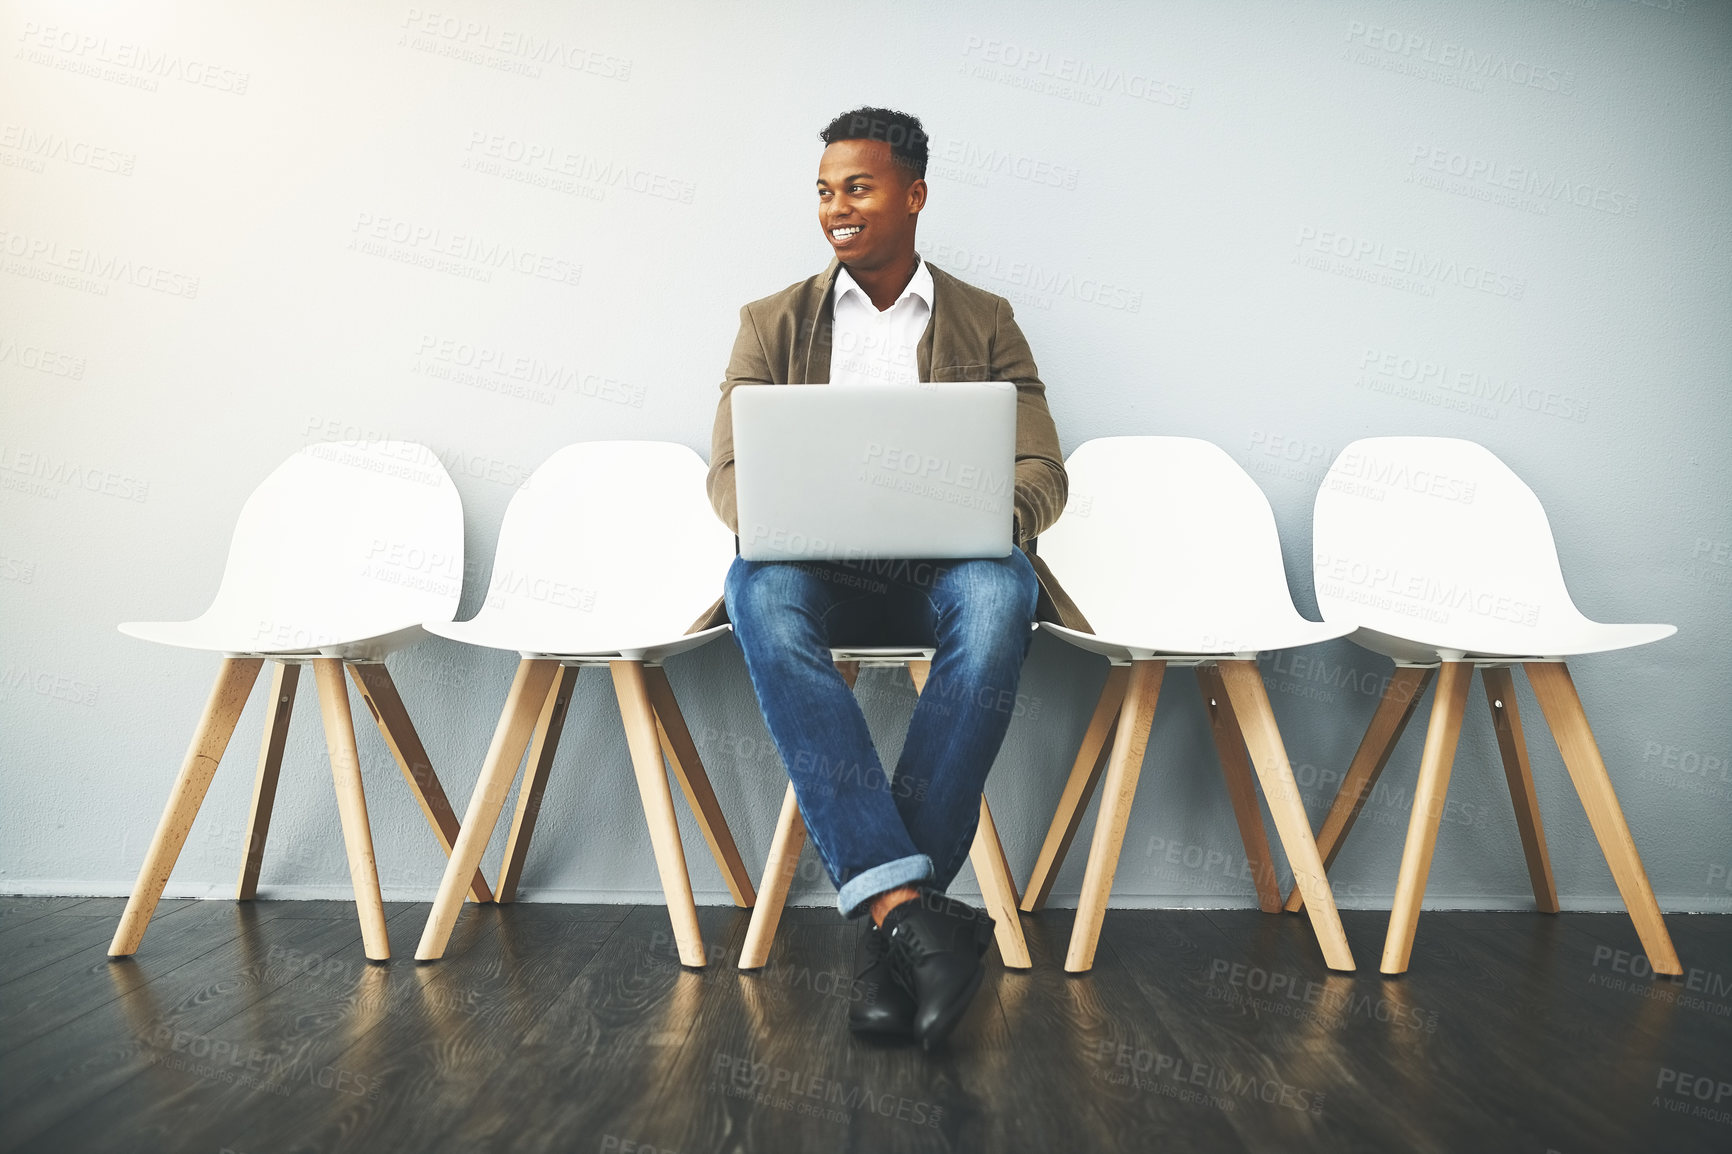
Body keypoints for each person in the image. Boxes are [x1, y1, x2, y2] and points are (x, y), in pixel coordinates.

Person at [691, 107, 1088, 1048]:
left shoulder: (986, 321)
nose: (837, 208)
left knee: (1003, 593)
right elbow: (729, 473)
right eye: (825, 191)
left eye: (858, 188)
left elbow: (1044, 472)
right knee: (757, 588)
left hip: (942, 567)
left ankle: (889, 931)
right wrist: (782, 515)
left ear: (914, 195)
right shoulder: (771, 321)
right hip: (819, 571)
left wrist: (986, 519)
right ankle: (914, 923)